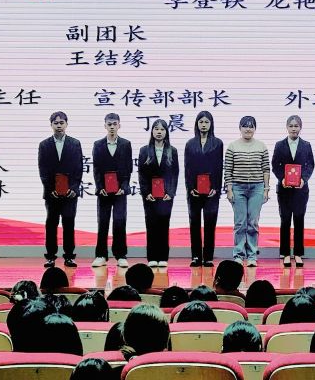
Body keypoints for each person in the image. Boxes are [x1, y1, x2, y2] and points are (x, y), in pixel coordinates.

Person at [38, 111, 83, 268]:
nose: (59, 125)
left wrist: (74, 188)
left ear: (66, 124)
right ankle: (50, 257)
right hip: (52, 194)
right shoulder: (44, 145)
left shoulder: (75, 143)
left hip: (70, 193)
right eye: (56, 123)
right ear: (51, 125)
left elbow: (79, 168)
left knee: (69, 223)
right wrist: (50, 188)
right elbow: (43, 169)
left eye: (61, 122)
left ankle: (69, 256)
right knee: (51, 224)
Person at [225, 116, 270, 267]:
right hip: (238, 188)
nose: (248, 129)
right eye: (245, 126)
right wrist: (229, 189)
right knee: (240, 223)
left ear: (255, 129)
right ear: (240, 128)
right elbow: (228, 170)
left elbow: (266, 169)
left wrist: (266, 189)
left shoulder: (261, 146)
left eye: (251, 126)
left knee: (253, 223)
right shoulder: (233, 146)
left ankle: (252, 255)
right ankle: (238, 255)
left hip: (257, 188)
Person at [271, 115, 315, 268]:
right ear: (287, 127)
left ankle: (298, 253)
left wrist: (304, 179)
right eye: (291, 126)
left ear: (300, 127)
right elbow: (275, 165)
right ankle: (285, 253)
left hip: (300, 190)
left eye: (296, 126)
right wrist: (282, 178)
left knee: (299, 220)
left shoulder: (306, 145)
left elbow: (310, 165)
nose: (294, 129)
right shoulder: (279, 145)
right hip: (284, 189)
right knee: (285, 220)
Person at [91, 112, 133, 269]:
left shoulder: (126, 144)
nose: (112, 127)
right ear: (105, 126)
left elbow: (128, 168)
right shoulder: (98, 144)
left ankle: (121, 255)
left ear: (119, 125)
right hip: (103, 192)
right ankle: (101, 255)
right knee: (102, 223)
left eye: (115, 124)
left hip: (120, 191)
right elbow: (96, 169)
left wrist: (124, 186)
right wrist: (100, 187)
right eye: (109, 124)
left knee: (120, 223)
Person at [184, 111, 224, 267]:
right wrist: (190, 188)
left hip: (211, 191)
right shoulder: (190, 144)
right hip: (194, 191)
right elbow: (187, 168)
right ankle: (196, 256)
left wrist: (216, 188)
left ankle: (208, 257)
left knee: (210, 223)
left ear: (211, 124)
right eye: (201, 122)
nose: (204, 125)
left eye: (206, 122)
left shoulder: (217, 143)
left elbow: (219, 167)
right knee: (194, 223)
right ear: (197, 124)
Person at [138, 119, 180, 267]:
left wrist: (171, 192)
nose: (159, 132)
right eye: (156, 129)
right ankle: (152, 257)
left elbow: (175, 174)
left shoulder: (172, 151)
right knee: (151, 224)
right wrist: (146, 192)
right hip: (149, 195)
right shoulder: (144, 150)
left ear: (166, 132)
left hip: (166, 195)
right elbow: (142, 174)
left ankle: (163, 257)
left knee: (163, 224)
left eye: (162, 129)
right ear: (152, 131)